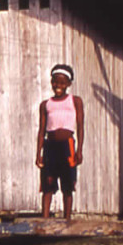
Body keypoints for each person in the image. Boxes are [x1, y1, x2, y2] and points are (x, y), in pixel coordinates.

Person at [36, 64, 84, 220]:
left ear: (69, 84)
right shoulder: (45, 104)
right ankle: (44, 220)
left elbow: (81, 127)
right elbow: (42, 130)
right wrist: (39, 154)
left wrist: (79, 151)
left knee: (67, 185)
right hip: (50, 147)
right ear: (51, 82)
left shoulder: (75, 101)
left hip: (67, 146)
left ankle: (67, 219)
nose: (58, 86)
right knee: (48, 184)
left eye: (63, 83)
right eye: (55, 82)